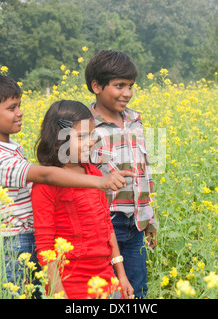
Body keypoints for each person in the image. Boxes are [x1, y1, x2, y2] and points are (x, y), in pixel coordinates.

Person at [0, 73, 132, 290]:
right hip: (14, 244)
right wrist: (100, 182)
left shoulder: (10, 148)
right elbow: (46, 175)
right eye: (12, 108)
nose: (20, 112)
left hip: (33, 239)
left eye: (19, 105)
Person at [31, 100, 134, 299]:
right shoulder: (45, 184)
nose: (91, 141)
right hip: (71, 284)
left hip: (107, 279)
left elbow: (107, 228)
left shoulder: (95, 174)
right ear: (58, 139)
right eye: (81, 136)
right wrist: (57, 292)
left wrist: (121, 275)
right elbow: (45, 245)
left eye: (92, 134)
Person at [85, 50, 158, 298]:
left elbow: (145, 175)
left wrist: (150, 219)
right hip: (105, 222)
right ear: (96, 86)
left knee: (137, 289)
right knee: (109, 291)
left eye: (131, 86)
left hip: (136, 222)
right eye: (119, 86)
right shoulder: (85, 126)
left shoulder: (136, 121)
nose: (127, 93)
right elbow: (75, 177)